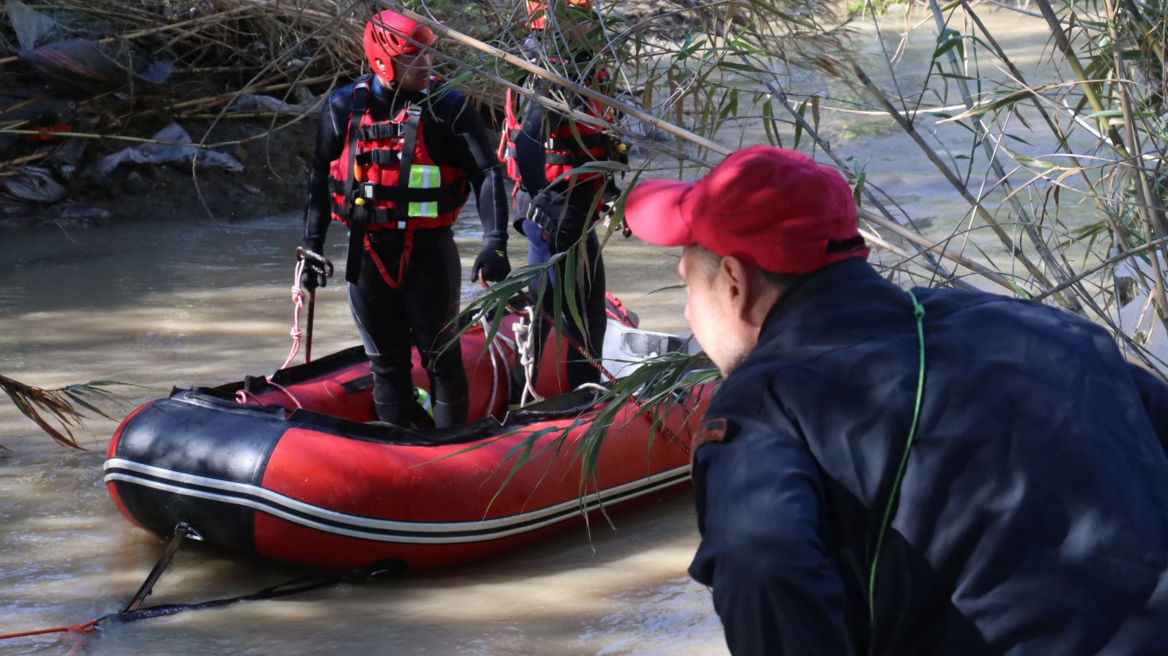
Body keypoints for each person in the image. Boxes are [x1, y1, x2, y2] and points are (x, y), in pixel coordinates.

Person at [623, 145, 1168, 655]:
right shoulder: (1046, 330)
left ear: (735, 283)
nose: (690, 317)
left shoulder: (764, 406)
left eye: (687, 285)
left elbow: (764, 567)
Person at [299, 10, 511, 427]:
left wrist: (495, 241)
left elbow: (487, 174)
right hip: (368, 258)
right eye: (414, 58)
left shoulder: (449, 107)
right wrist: (311, 247)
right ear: (382, 61)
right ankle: (397, 453)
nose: (427, 65)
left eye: (428, 55)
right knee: (387, 368)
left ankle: (453, 457)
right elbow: (319, 178)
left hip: (430, 257)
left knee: (442, 362)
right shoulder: (342, 109)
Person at [499, 0, 623, 394]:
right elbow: (529, 141)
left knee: (559, 310)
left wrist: (615, 196)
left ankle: (536, 396)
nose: (590, 24)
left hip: (572, 211)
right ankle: (570, 403)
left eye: (589, 17)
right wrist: (539, 202)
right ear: (550, 24)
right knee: (577, 318)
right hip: (556, 213)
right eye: (579, 19)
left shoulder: (584, 69)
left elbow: (604, 144)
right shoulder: (552, 75)